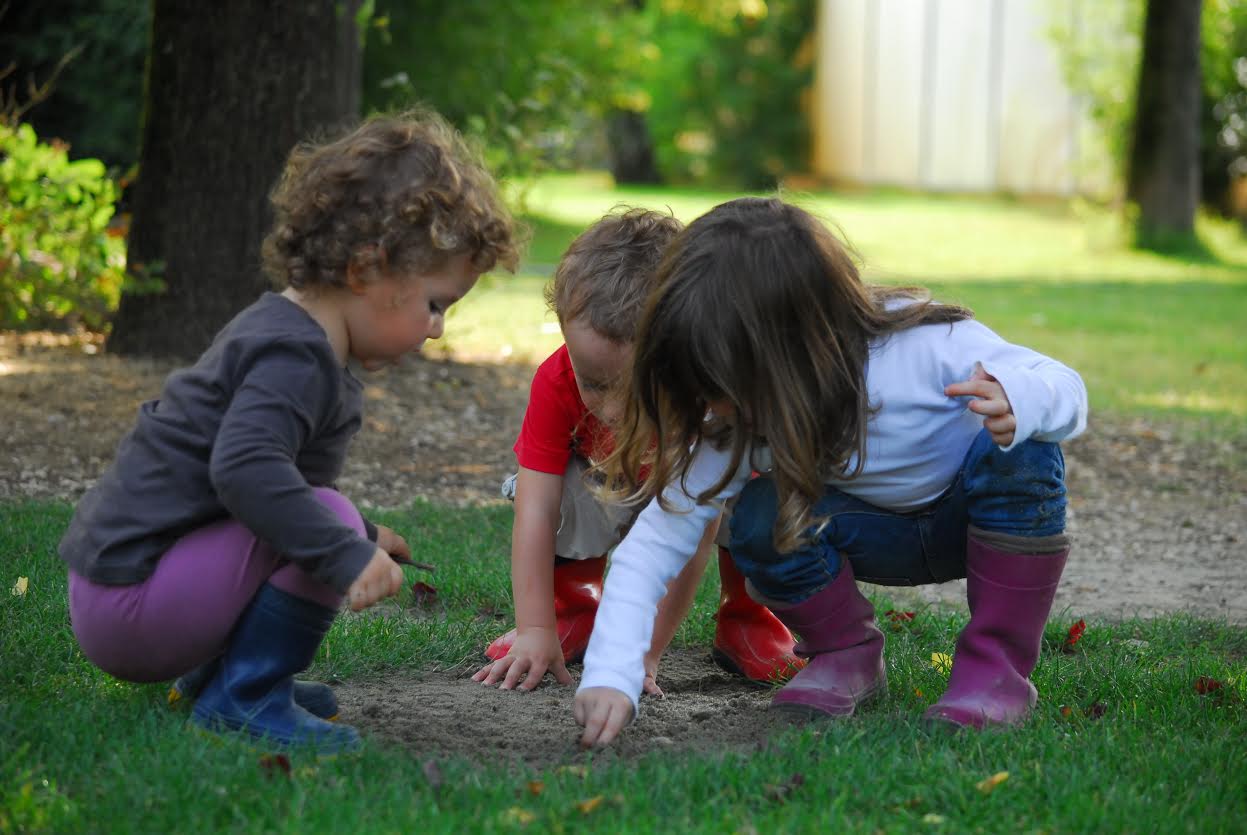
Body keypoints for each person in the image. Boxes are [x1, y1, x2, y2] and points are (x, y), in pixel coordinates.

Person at [58, 110, 518, 754]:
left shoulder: (297, 338)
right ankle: (245, 696)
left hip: (125, 590)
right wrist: (343, 549)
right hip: (130, 606)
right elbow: (247, 475)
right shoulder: (295, 357)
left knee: (323, 513)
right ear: (366, 270)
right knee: (321, 514)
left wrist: (364, 534)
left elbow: (267, 492)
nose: (438, 328)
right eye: (435, 304)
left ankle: (225, 678)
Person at [573, 196, 1087, 747]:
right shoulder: (735, 419)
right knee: (757, 515)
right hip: (868, 534)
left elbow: (1064, 384)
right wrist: (610, 673)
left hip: (974, 524)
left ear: (792, 351)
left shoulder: (926, 347)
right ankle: (845, 653)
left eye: (720, 382)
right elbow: (655, 541)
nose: (711, 405)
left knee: (1027, 452)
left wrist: (1020, 398)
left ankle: (994, 673)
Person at [472, 207, 801, 695]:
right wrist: (534, 630)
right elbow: (535, 513)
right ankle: (575, 608)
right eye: (593, 382)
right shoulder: (555, 381)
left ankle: (745, 616)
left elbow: (692, 535)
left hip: (696, 500)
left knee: (761, 497)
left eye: (633, 387)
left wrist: (644, 653)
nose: (608, 408)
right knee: (551, 489)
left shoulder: (704, 400)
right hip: (613, 488)